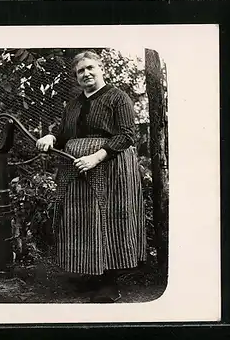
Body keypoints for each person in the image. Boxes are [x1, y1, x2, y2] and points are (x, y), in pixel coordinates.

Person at [36, 50, 147, 303]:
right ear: (76, 77)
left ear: (101, 68)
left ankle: (110, 282)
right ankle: (92, 275)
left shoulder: (118, 98)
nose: (85, 74)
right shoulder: (73, 104)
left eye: (90, 68)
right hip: (76, 168)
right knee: (83, 221)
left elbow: (127, 135)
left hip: (111, 166)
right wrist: (50, 137)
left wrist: (96, 157)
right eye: (80, 71)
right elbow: (64, 134)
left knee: (108, 220)